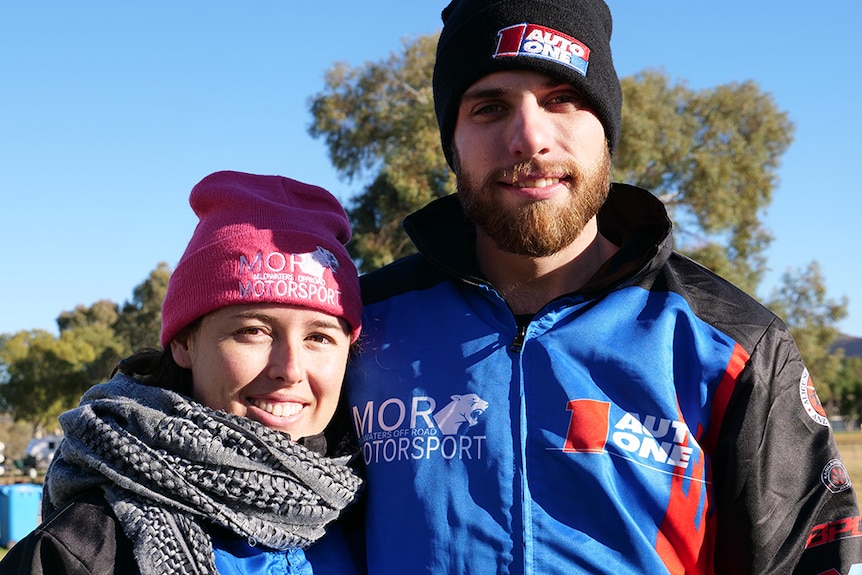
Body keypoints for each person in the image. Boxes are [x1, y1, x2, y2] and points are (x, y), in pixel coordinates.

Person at [345, 1, 862, 573]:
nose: (528, 138)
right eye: (489, 108)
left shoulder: (732, 346)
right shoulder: (356, 327)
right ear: (453, 143)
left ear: (607, 129)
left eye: (562, 99)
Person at [0, 170, 365, 575]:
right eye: (253, 331)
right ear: (183, 342)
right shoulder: (82, 551)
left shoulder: (371, 516)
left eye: (320, 338)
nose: (290, 369)